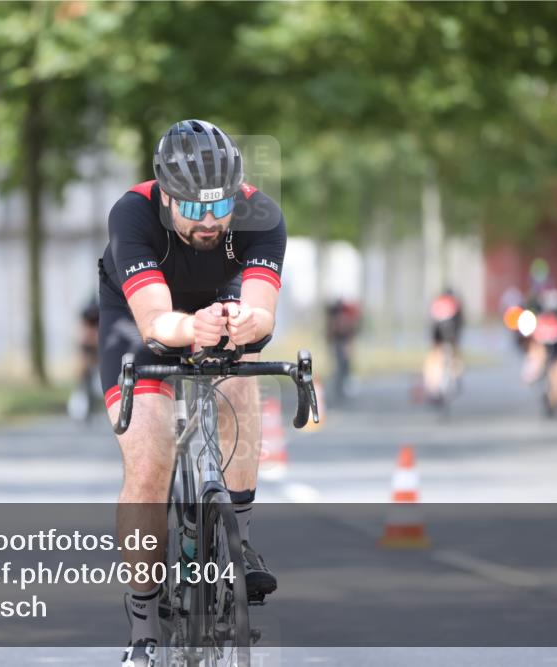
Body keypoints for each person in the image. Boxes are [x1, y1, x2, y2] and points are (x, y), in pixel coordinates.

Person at [97, 120, 286, 666]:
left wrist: (241, 323)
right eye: (194, 207)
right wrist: (192, 330)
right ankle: (144, 624)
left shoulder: (261, 215)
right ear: (167, 196)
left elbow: (262, 308)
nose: (210, 220)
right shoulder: (132, 213)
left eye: (220, 205)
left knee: (241, 376)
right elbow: (156, 319)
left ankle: (239, 537)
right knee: (151, 457)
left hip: (218, 303)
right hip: (137, 319)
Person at [423, 287, 464, 398]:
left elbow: (431, 319)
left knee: (434, 356)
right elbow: (460, 321)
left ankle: (431, 384)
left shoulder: (437, 302)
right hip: (451, 332)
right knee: (455, 354)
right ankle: (456, 375)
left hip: (437, 331)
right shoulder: (455, 303)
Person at [67, 296, 101, 423]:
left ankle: (92, 408)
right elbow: (82, 332)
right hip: (87, 347)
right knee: (84, 378)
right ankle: (83, 409)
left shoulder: (96, 313)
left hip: (96, 347)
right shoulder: (88, 314)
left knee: (94, 378)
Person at [325, 298, 361, 402]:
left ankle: (344, 387)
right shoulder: (337, 319)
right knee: (340, 367)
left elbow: (349, 334)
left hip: (343, 343)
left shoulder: (345, 318)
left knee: (345, 367)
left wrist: (349, 345)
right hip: (339, 343)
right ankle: (340, 388)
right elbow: (332, 333)